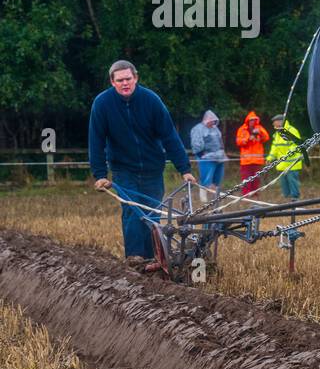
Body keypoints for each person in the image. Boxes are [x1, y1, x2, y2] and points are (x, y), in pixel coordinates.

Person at [89, 60, 196, 268]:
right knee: (132, 211)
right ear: (112, 82)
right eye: (120, 80)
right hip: (123, 168)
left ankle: (155, 257)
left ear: (135, 78)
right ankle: (136, 258)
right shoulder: (102, 104)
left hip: (152, 167)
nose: (125, 83)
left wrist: (185, 169)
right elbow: (96, 140)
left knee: (153, 213)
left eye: (128, 79)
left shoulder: (151, 101)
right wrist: (100, 174)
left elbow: (169, 136)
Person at [267, 114, 304, 199]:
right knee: (284, 183)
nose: (273, 124)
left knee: (292, 181)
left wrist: (288, 154)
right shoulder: (277, 133)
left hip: (292, 163)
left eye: (274, 122)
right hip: (282, 164)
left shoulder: (291, 130)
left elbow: (295, 144)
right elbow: (275, 147)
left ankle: (295, 198)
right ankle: (287, 197)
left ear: (280, 121)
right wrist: (270, 157)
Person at [189, 110, 226, 198]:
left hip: (219, 157)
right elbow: (196, 143)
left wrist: (222, 151)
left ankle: (215, 198)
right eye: (212, 120)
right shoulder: (198, 129)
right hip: (206, 158)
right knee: (206, 178)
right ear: (207, 120)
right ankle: (203, 199)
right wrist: (201, 154)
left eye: (214, 120)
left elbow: (220, 140)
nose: (213, 122)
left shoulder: (215, 128)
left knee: (217, 178)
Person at [235, 111, 270, 196]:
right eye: (251, 120)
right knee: (246, 177)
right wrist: (248, 139)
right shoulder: (242, 129)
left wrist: (260, 133)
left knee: (256, 178)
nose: (253, 122)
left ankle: (255, 193)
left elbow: (266, 137)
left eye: (254, 120)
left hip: (257, 160)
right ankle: (246, 194)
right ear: (248, 121)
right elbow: (238, 142)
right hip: (246, 160)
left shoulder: (259, 128)